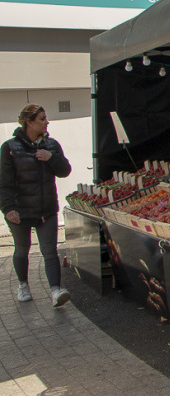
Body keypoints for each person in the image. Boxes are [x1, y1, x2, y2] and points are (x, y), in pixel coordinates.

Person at [0, 104, 72, 306]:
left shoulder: (52, 146)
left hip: (46, 209)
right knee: (22, 249)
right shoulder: (10, 148)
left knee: (50, 251)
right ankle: (23, 285)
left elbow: (65, 170)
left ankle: (56, 291)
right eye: (42, 118)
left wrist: (51, 158)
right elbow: (4, 182)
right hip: (19, 211)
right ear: (29, 122)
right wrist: (8, 209)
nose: (46, 122)